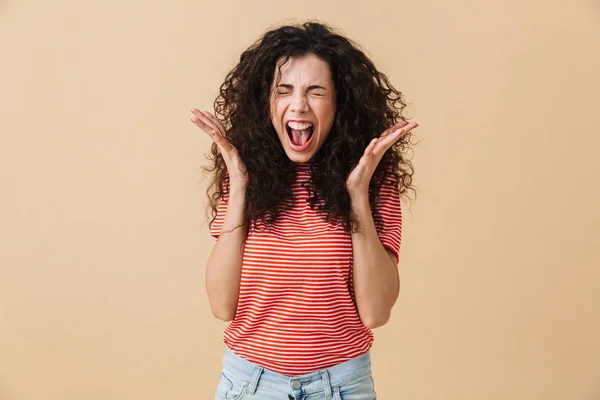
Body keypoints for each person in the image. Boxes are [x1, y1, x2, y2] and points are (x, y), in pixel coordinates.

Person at [190, 20, 418, 400]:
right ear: (266, 101)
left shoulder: (374, 176)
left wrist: (357, 196)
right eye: (284, 90)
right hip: (250, 384)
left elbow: (376, 313)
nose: (298, 104)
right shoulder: (247, 174)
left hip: (343, 385)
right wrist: (240, 184)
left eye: (315, 91)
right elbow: (221, 305)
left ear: (338, 102)